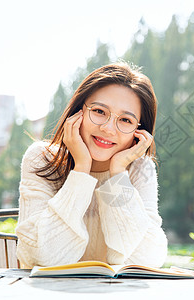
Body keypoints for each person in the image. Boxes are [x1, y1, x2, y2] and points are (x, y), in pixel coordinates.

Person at [15, 62, 168, 269]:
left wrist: (118, 174)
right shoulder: (41, 158)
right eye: (99, 111)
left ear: (139, 132)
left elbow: (146, 261)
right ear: (78, 112)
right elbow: (42, 259)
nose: (108, 128)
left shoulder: (139, 168)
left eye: (125, 120)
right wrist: (81, 169)